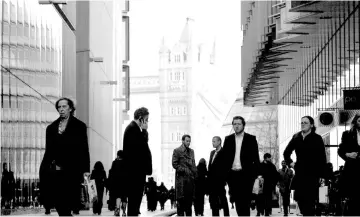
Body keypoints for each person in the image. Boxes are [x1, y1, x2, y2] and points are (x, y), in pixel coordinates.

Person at [39, 97, 90, 216]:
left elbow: (84, 149)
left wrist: (86, 169)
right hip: (56, 172)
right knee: (59, 204)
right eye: (59, 107)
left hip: (72, 171)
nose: (61, 109)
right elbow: (48, 152)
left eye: (64, 107)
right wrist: (43, 169)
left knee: (67, 204)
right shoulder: (51, 128)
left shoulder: (79, 126)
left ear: (70, 108)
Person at [283, 115, 327, 216]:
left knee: (310, 203)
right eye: (301, 122)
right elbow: (286, 152)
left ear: (311, 125)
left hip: (312, 175)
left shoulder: (317, 138)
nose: (303, 124)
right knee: (300, 201)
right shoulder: (296, 137)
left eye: (305, 122)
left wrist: (323, 176)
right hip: (299, 174)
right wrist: (291, 163)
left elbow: (322, 158)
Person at [222, 116, 260, 216]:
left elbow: (256, 158)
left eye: (239, 124)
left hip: (246, 175)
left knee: (245, 203)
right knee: (238, 203)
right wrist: (225, 176)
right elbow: (224, 159)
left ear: (243, 125)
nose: (237, 126)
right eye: (234, 124)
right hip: (233, 176)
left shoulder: (251, 139)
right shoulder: (228, 139)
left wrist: (256, 175)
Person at [123, 107, 152, 216]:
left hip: (136, 173)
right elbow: (142, 148)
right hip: (135, 174)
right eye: (146, 119)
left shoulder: (133, 129)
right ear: (141, 118)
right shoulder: (132, 129)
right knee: (134, 203)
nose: (147, 122)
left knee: (135, 203)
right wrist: (144, 130)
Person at [338, 114, 360, 216]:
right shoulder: (347, 134)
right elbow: (341, 150)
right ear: (355, 122)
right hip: (352, 170)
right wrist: (348, 154)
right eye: (359, 121)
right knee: (353, 199)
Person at [172, 134, 197, 216]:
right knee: (181, 205)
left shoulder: (192, 151)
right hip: (181, 182)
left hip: (190, 181)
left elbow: (193, 164)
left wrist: (195, 174)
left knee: (189, 205)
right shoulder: (177, 151)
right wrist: (184, 170)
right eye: (187, 141)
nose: (188, 143)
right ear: (182, 141)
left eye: (189, 141)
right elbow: (174, 164)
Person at [207, 136, 230, 217]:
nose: (212, 143)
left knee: (223, 199)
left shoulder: (224, 152)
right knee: (213, 201)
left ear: (219, 142)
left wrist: (224, 179)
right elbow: (210, 166)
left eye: (214, 141)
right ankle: (215, 215)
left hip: (220, 181)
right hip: (212, 181)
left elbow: (226, 167)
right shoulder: (212, 153)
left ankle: (226, 215)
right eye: (212, 141)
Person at [108, 150, 128, 216]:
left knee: (118, 197)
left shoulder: (115, 162)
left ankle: (117, 210)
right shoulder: (126, 163)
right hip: (124, 183)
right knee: (124, 198)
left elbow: (111, 172)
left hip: (116, 183)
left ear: (118, 155)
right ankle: (124, 212)